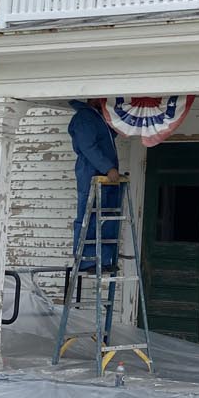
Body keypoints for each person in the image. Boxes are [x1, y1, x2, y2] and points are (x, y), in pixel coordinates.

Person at [68, 98, 122, 270]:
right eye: (101, 97)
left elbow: (109, 135)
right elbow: (88, 146)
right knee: (89, 216)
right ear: (92, 99)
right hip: (91, 172)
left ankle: (104, 259)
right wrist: (108, 168)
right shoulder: (85, 117)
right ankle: (87, 260)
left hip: (105, 175)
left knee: (106, 216)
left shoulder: (98, 117)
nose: (104, 100)